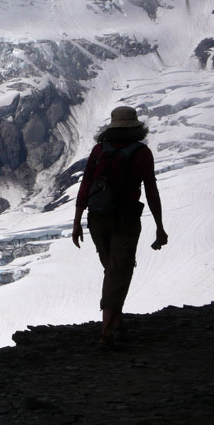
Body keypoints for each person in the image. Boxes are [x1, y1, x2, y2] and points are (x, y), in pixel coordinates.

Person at [71, 105, 168, 345]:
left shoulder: (99, 149)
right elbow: (151, 190)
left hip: (97, 218)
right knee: (119, 270)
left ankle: (115, 324)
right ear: (137, 128)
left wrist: (77, 221)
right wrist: (159, 225)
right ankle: (107, 332)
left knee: (112, 270)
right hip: (126, 218)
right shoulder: (142, 152)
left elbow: (86, 184)